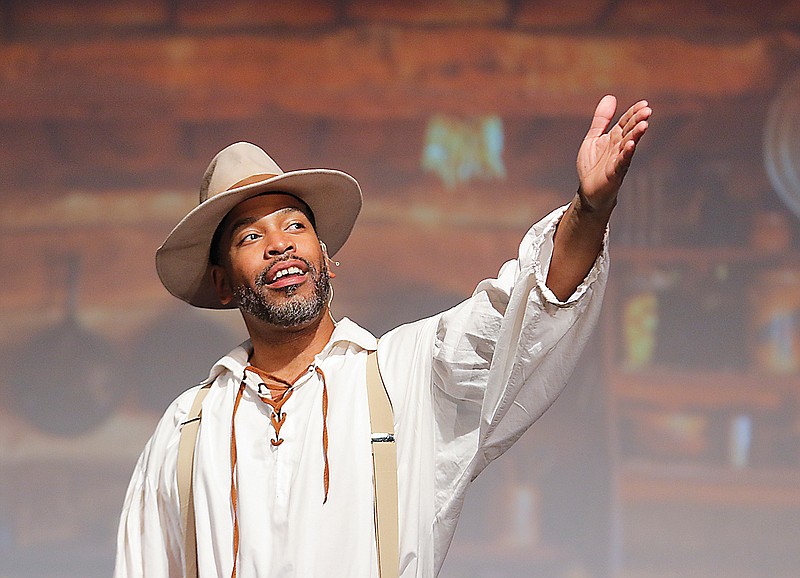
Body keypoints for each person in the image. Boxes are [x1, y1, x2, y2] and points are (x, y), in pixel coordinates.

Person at [114, 95, 651, 577]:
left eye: (295, 226)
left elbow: (522, 312)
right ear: (222, 283)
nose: (279, 245)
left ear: (327, 257)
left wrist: (589, 210)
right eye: (251, 236)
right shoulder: (186, 429)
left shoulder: (404, 378)